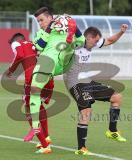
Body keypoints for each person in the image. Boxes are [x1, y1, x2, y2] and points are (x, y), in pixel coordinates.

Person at [24, 6, 85, 150]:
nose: (40, 23)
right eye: (38, 21)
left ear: (51, 17)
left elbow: (81, 41)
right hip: (50, 65)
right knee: (34, 92)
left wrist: (74, 29)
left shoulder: (63, 27)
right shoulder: (42, 32)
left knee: (69, 46)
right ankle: (37, 129)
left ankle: (38, 131)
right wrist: (48, 29)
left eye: (42, 20)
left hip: (63, 62)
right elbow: (38, 46)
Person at [63, 25, 128, 155]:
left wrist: (121, 32)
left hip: (87, 81)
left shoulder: (92, 44)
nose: (97, 43)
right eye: (95, 40)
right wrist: (69, 23)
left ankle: (112, 131)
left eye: (98, 41)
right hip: (75, 82)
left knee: (117, 97)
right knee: (86, 111)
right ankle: (81, 148)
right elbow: (69, 40)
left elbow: (109, 41)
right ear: (88, 38)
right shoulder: (77, 44)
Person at [6, 33, 54, 154]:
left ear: (15, 41)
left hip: (33, 80)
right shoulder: (35, 43)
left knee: (29, 108)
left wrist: (11, 69)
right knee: (39, 106)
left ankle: (44, 144)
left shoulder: (17, 43)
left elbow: (19, 55)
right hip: (48, 78)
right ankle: (46, 137)